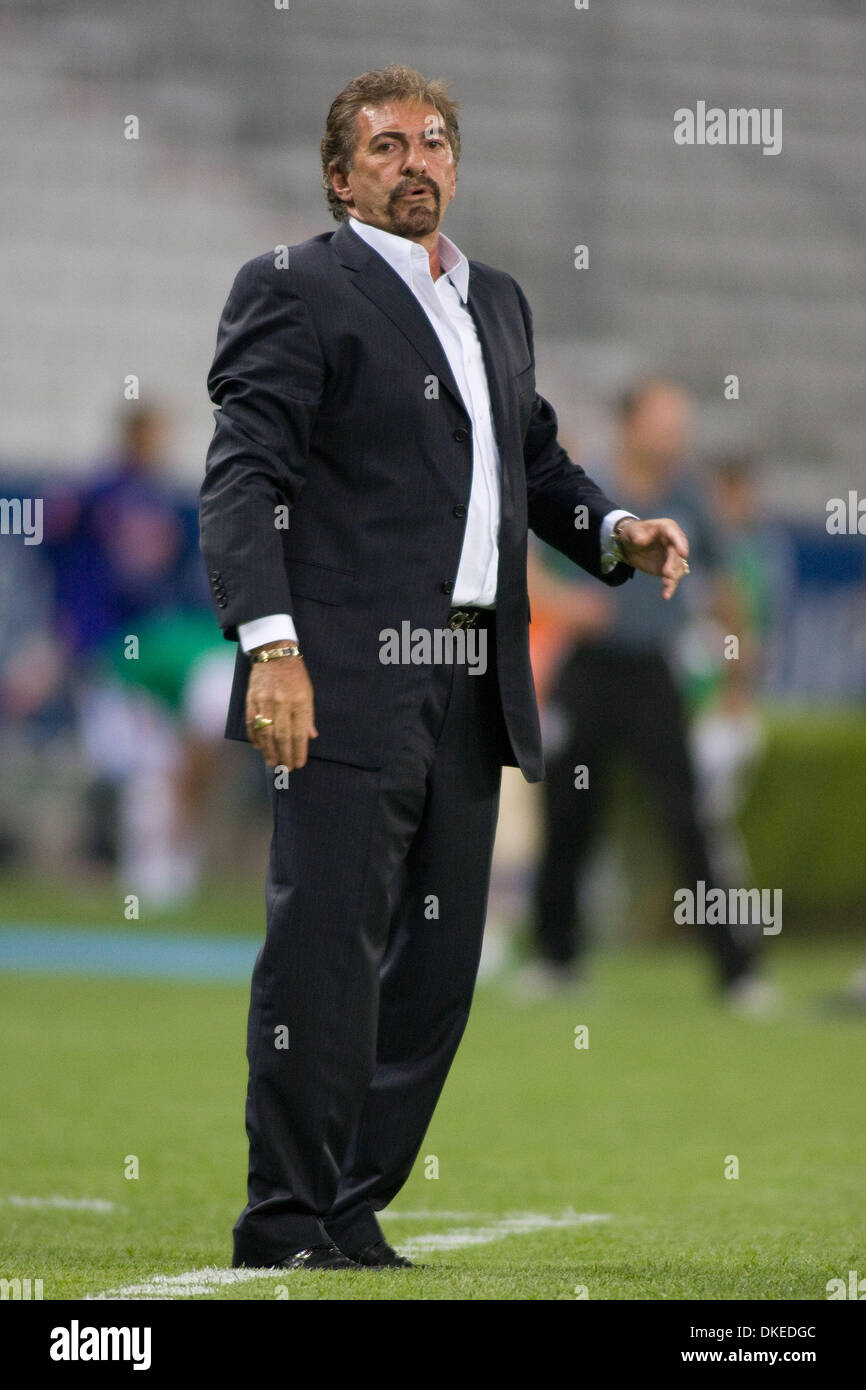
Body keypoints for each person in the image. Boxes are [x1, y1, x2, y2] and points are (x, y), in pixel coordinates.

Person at [199, 65, 693, 1273]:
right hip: (342, 677)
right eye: (384, 147)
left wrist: (613, 533)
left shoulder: (498, 301)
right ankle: (284, 1219)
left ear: (456, 166)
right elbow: (242, 478)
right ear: (339, 176)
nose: (414, 161)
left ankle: (349, 1204)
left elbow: (535, 464)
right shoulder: (295, 288)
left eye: (433, 143)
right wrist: (271, 644)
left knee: (436, 971)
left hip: (471, 679)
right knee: (323, 952)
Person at [526, 382, 769, 1006]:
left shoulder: (690, 495)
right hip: (588, 670)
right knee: (571, 813)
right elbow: (524, 567)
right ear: (629, 423)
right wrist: (567, 604)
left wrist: (739, 676)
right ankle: (556, 959)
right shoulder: (589, 485)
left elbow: (726, 586)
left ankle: (737, 972)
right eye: (663, 423)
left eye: (681, 425)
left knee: (687, 819)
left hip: (652, 674)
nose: (674, 437)